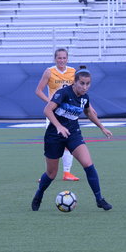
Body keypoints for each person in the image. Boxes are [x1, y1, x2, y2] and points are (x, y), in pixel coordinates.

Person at [32, 66, 113, 212]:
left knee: (88, 164)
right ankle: (39, 194)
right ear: (74, 82)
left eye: (88, 84)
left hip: (73, 134)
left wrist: (102, 127)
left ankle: (99, 199)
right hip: (54, 135)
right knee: (51, 173)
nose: (85, 87)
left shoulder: (85, 97)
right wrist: (58, 126)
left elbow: (89, 112)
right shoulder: (63, 93)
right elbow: (47, 110)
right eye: (82, 83)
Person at [35, 48, 81, 181]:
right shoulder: (49, 72)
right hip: (53, 113)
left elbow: (79, 90)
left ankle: (67, 173)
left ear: (67, 59)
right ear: (55, 59)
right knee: (52, 143)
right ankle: (48, 174)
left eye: (64, 58)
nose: (61, 60)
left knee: (68, 142)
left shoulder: (73, 72)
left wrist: (89, 107)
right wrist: (50, 102)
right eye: (59, 58)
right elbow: (38, 90)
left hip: (68, 113)